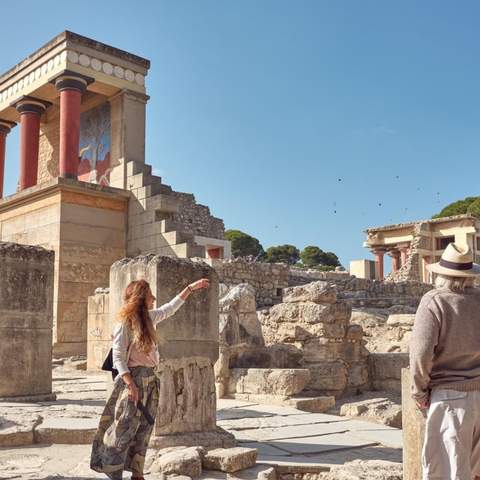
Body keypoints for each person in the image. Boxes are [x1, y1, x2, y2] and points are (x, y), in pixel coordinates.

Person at [91, 277, 210, 480]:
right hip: (133, 380)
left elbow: (170, 308)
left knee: (145, 428)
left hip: (151, 380)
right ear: (140, 298)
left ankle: (137, 473)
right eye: (149, 295)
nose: (153, 299)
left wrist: (189, 288)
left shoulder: (148, 319)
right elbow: (118, 358)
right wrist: (131, 385)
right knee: (123, 429)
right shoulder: (124, 325)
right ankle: (113, 473)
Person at [410, 242, 480, 480]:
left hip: (450, 398)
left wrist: (419, 393)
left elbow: (421, 353)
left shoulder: (435, 301)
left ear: (440, 273)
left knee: (447, 471)